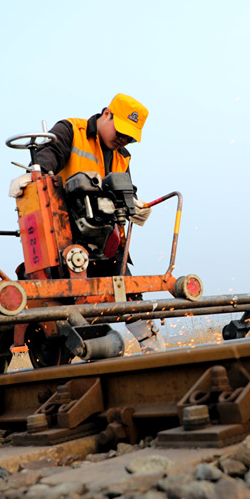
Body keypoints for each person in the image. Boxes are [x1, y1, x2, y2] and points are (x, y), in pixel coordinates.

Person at [28, 93, 165, 352]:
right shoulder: (72, 130)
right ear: (106, 114)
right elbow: (50, 154)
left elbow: (124, 190)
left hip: (105, 237)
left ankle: (152, 346)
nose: (123, 139)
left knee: (126, 289)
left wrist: (134, 205)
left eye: (130, 137)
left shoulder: (122, 156)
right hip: (64, 235)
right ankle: (85, 342)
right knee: (74, 295)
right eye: (121, 131)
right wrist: (36, 172)